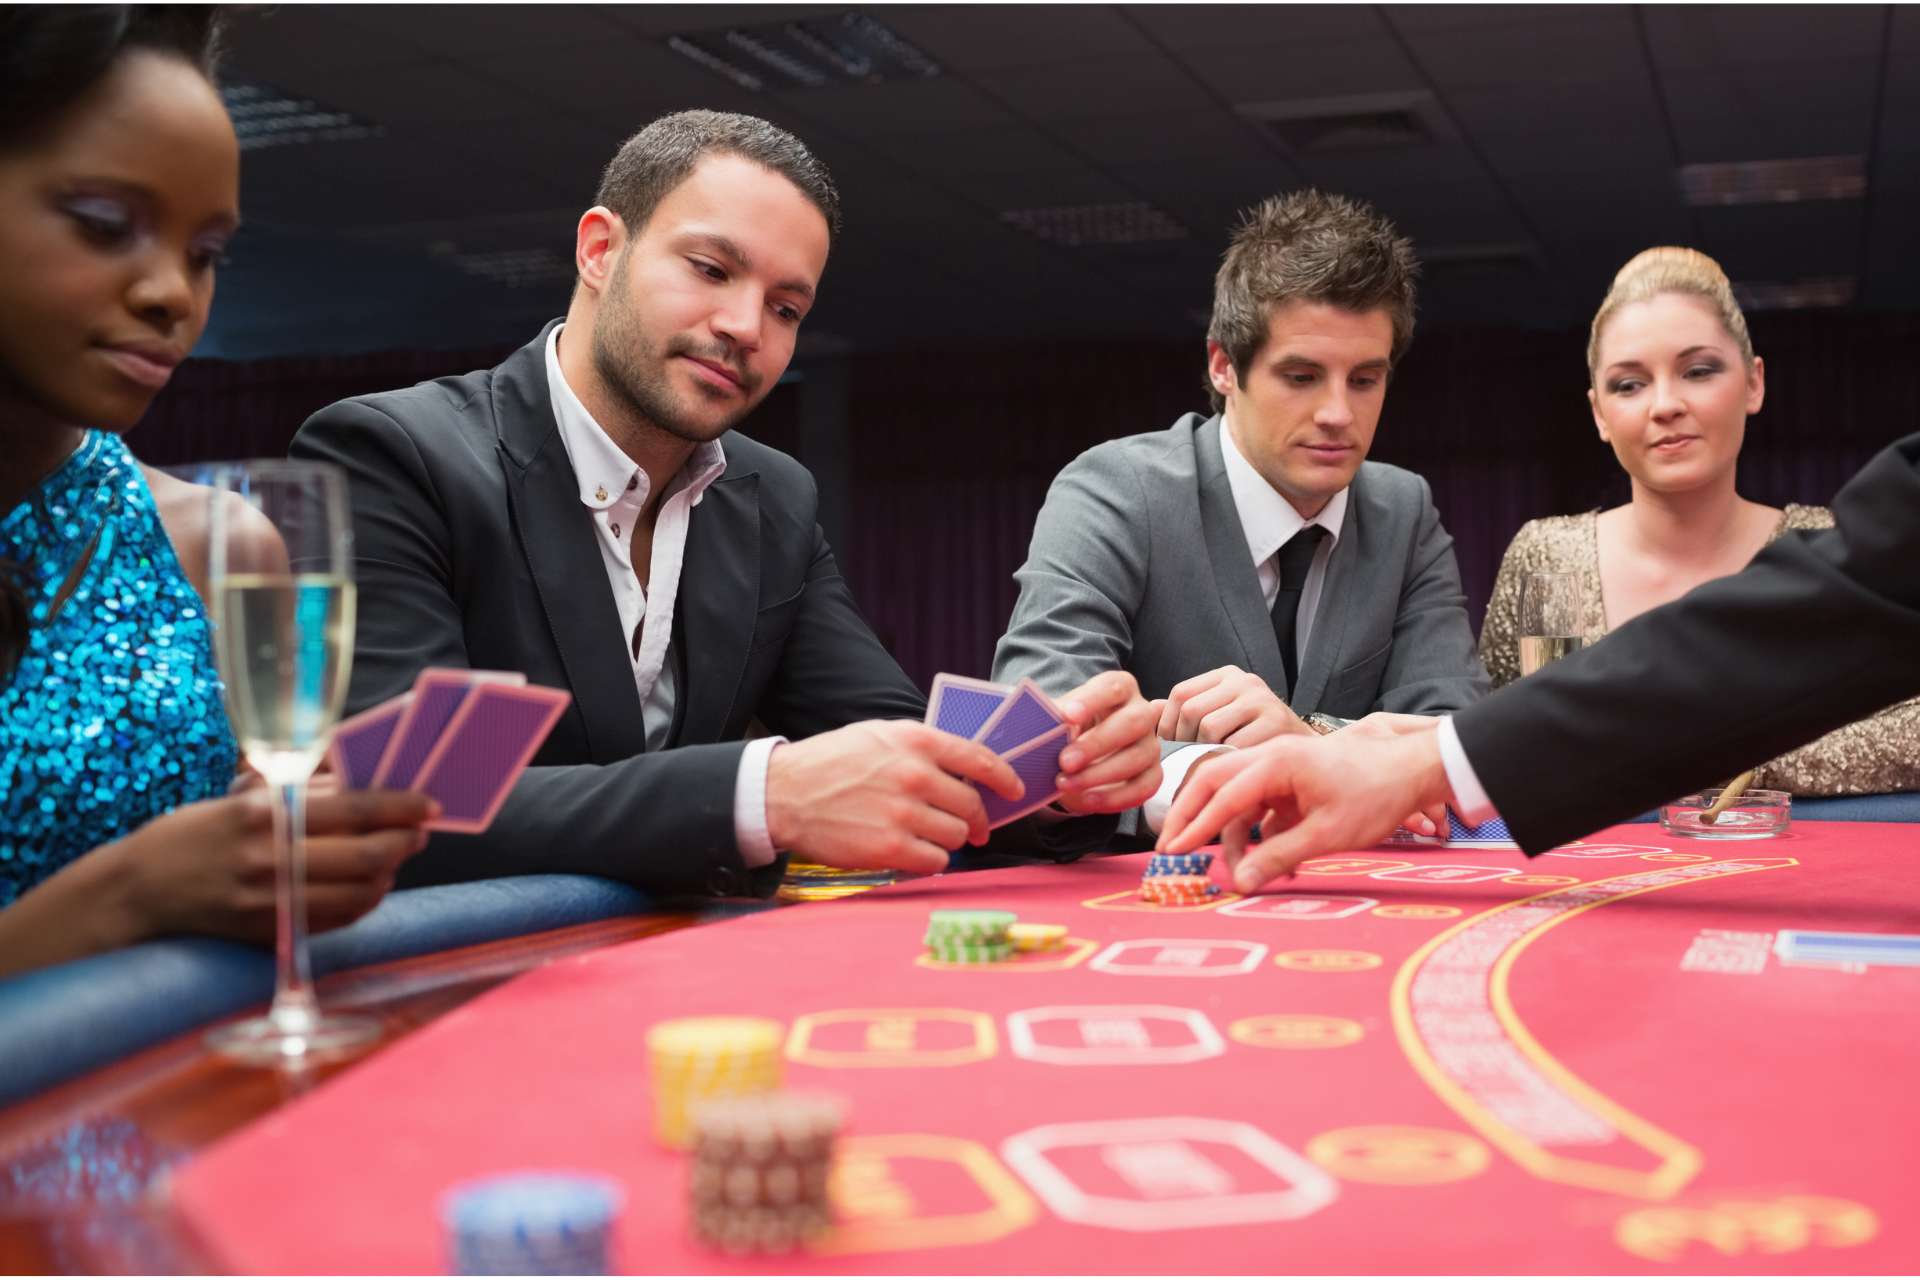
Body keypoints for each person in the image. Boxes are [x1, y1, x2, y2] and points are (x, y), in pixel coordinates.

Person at [291, 110, 1160, 900]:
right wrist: (762, 795)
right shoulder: (403, 458)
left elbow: (887, 744)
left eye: (787, 307)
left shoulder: (772, 495)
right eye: (711, 269)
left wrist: (1048, 779)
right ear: (600, 251)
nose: (748, 326)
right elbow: (407, 802)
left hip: (676, 967)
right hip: (448, 982)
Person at [0, 5, 435, 979]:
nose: (172, 294)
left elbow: (267, 889)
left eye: (206, 254)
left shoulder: (221, 543)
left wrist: (299, 853)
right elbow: (155, 883)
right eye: (107, 226)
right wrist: (133, 890)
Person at [1158, 430, 1920, 891]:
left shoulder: (1812, 534)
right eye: (1628, 381)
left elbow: (1783, 656)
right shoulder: (1545, 550)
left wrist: (1427, 760)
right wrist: (1404, 751)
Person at [992, 189, 1486, 844]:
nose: (1339, 413)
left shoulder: (1404, 509)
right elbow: (1038, 738)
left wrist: (1311, 739)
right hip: (1147, 904)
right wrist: (1300, 771)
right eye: (1302, 377)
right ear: (1224, 365)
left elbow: (1455, 738)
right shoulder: (1114, 491)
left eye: (1364, 380)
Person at [1480, 247, 1918, 795]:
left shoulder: (1827, 547)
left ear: (1754, 383)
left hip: (1790, 869)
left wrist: (1735, 758)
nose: (1664, 404)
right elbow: (1492, 739)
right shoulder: (1546, 554)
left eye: (1698, 371)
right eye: (1629, 384)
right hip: (1589, 879)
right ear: (1599, 414)